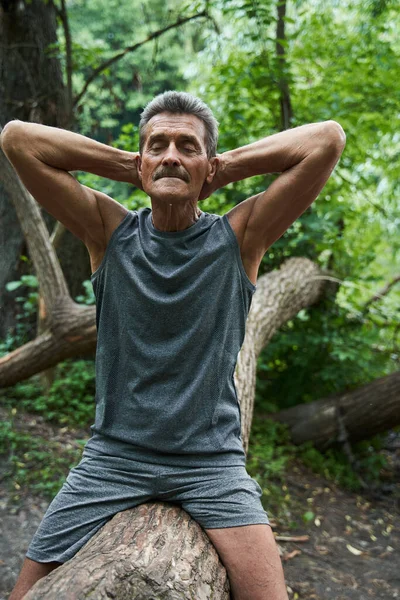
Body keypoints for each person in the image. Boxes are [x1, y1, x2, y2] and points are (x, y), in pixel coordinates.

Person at [1, 90, 345, 600]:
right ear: (140, 160)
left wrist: (219, 169)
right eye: (157, 145)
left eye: (188, 147)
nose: (171, 155)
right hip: (112, 459)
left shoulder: (240, 237)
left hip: (211, 463)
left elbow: (327, 140)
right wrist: (134, 165)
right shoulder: (109, 230)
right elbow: (18, 139)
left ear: (209, 165)